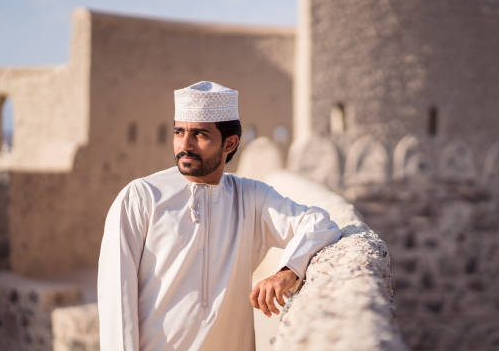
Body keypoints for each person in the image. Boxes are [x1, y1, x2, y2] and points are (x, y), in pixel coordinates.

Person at [97, 81, 341, 350]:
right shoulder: (140, 197)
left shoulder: (250, 197)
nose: (185, 144)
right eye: (179, 132)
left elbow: (319, 223)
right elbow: (116, 298)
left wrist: (288, 271)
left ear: (230, 143)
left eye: (199, 134)